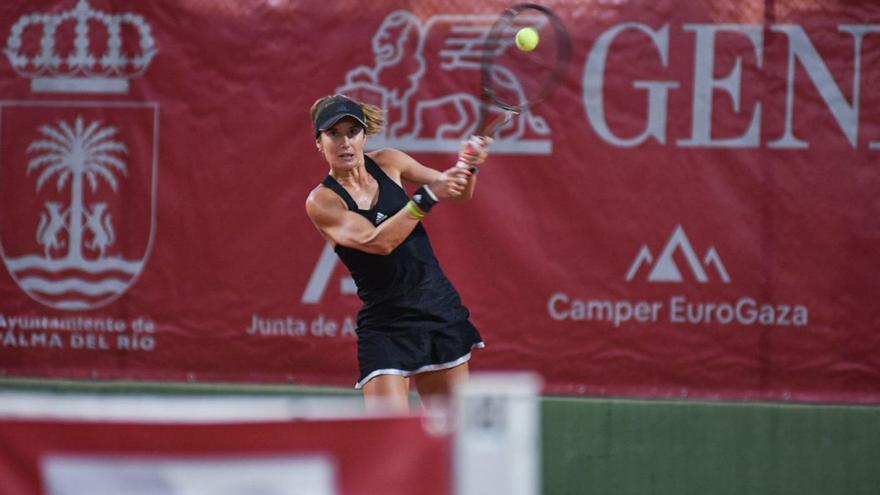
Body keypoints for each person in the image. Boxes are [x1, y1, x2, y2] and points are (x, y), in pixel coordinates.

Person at [304, 94, 489, 413]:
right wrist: (427, 198)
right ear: (319, 143)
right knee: (388, 436)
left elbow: (458, 192)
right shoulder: (322, 202)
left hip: (437, 309)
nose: (344, 142)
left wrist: (467, 164)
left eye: (352, 132)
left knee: (455, 436)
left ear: (364, 136)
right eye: (333, 134)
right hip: (386, 325)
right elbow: (378, 242)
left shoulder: (390, 161)